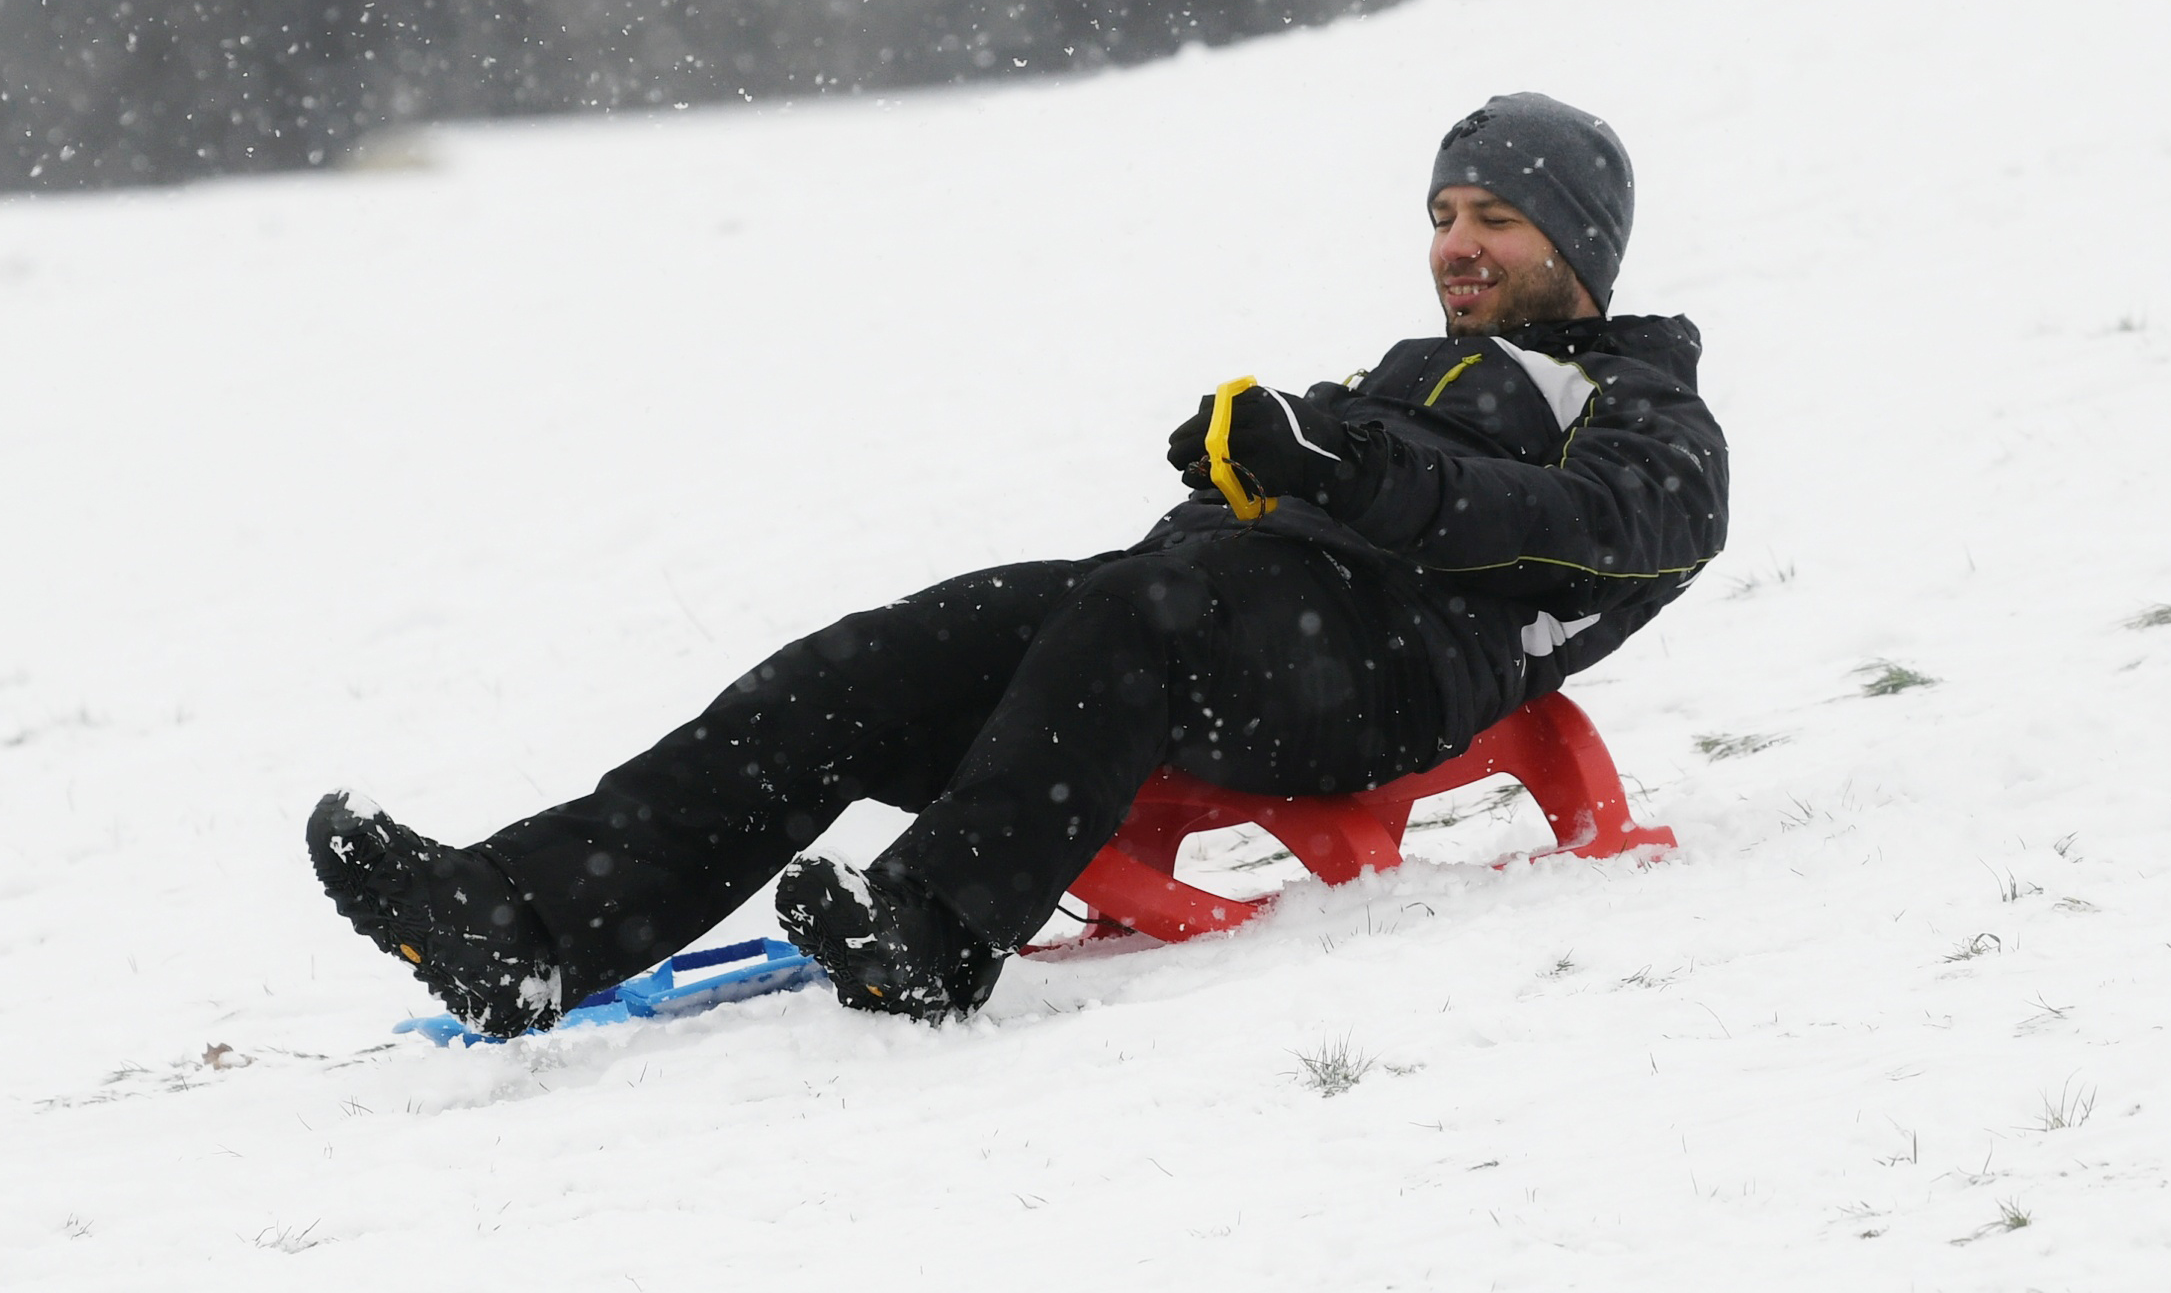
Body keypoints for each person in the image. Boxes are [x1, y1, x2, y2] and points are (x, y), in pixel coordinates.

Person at [310, 92, 1731, 1032]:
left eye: (1495, 219)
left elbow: (1578, 527)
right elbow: (1282, 520)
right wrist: (1238, 474)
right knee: (889, 654)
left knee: (1144, 605)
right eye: (1442, 215)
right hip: (1223, 619)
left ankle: (935, 927)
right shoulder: (1410, 370)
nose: (1457, 246)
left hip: (1388, 673)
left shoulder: (1644, 407)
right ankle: (526, 923)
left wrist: (1335, 468)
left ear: (1578, 243)